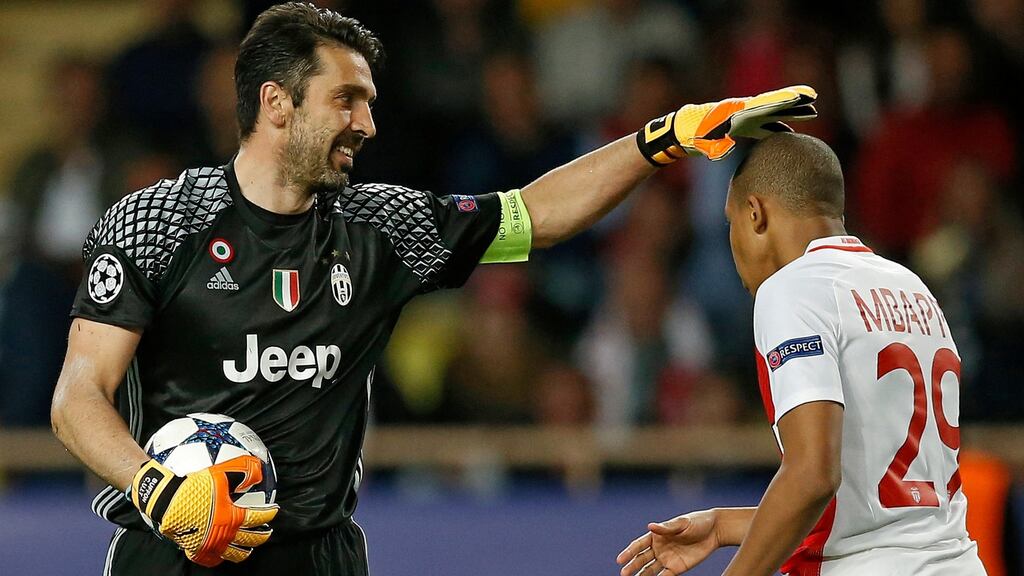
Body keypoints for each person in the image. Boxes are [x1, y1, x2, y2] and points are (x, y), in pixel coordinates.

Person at [49, 3, 815, 574]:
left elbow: (537, 215)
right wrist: (160, 491)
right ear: (277, 104)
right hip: (173, 550)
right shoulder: (157, 221)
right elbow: (79, 396)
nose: (368, 123)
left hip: (318, 556)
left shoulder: (380, 229)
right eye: (346, 100)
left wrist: (665, 137)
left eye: (371, 102)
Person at [616, 133, 987, 576]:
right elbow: (879, 506)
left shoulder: (793, 287)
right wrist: (722, 526)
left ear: (755, 213)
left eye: (730, 223)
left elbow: (813, 476)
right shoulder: (913, 288)